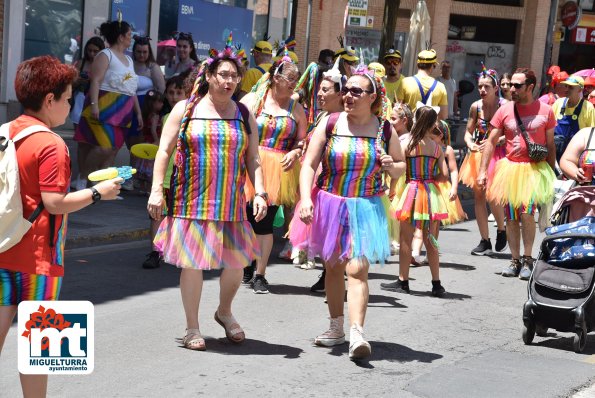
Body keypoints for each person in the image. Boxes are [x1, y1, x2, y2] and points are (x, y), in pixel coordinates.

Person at [0, 56, 122, 398]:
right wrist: (99, 192)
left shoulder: (4, 134)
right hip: (38, 259)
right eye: (68, 99)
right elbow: (55, 203)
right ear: (49, 100)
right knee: (38, 353)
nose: (70, 106)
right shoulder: (52, 144)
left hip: (2, 248)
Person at [147, 41, 267, 350]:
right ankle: (192, 328)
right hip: (192, 199)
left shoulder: (243, 113)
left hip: (231, 200)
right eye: (223, 74)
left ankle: (224, 311)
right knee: (192, 263)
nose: (229, 81)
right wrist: (157, 190)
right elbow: (164, 151)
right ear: (209, 75)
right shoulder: (185, 109)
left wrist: (261, 192)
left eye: (234, 76)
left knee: (238, 262)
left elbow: (253, 159)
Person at [290, 68, 405, 360]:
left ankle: (357, 333)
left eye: (357, 91)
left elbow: (402, 166)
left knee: (357, 268)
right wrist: (305, 198)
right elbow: (308, 164)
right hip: (329, 203)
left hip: (366, 206)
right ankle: (335, 327)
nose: (349, 96)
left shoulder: (384, 129)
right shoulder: (329, 123)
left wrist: (392, 166)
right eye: (347, 89)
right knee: (333, 267)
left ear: (373, 97)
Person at [479, 68, 556, 280]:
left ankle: (528, 259)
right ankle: (514, 260)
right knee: (512, 217)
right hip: (510, 170)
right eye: (511, 84)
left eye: (517, 85)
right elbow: (491, 142)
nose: (511, 89)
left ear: (530, 87)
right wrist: (483, 171)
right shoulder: (504, 110)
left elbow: (550, 145)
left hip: (535, 171)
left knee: (527, 213)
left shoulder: (546, 110)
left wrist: (552, 175)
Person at [240, 56, 308, 294]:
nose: (294, 84)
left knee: (265, 222)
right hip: (249, 164)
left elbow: (302, 140)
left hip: (278, 170)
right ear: (275, 78)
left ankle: (260, 273)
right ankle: (247, 265)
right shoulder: (253, 100)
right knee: (246, 218)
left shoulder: (296, 109)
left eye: (296, 80)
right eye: (290, 79)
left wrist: (295, 152)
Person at [382, 106, 449, 297]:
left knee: (406, 238)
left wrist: (393, 187)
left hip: (411, 191)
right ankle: (437, 284)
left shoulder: (407, 144)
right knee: (431, 239)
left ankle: (403, 281)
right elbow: (444, 175)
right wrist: (431, 180)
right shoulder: (436, 148)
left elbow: (399, 169)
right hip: (430, 194)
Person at [74, 20, 142, 185]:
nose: (130, 38)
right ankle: (83, 178)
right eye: (128, 35)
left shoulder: (129, 59)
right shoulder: (105, 55)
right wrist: (95, 105)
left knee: (113, 149)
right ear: (120, 37)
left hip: (123, 109)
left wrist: (138, 112)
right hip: (105, 105)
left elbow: (130, 89)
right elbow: (95, 81)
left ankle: (103, 186)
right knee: (102, 146)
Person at [459, 68, 507, 255]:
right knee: (479, 196)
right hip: (478, 155)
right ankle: (484, 240)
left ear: (496, 87)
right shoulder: (475, 107)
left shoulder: (505, 106)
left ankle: (501, 230)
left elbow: (512, 134)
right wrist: (470, 144)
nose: (482, 90)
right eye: (480, 86)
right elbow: (468, 132)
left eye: (487, 86)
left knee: (493, 195)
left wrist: (497, 140)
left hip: (499, 155)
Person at [142, 76, 188, 270]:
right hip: (167, 174)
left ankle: (181, 249)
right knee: (157, 214)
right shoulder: (165, 118)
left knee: (181, 216)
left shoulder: (193, 117)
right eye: (170, 93)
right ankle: (155, 251)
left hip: (185, 176)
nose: (174, 96)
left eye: (178, 93)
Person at [70, 36, 105, 191]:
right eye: (89, 50)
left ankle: (90, 175)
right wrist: (79, 80)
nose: (92, 54)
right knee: (81, 142)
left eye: (95, 51)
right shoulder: (81, 62)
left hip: (96, 104)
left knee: (95, 142)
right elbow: (71, 81)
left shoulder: (105, 64)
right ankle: (81, 176)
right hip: (80, 101)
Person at [551, 76, 595, 163]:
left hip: (575, 156)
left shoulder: (588, 107)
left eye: (571, 87)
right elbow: (548, 126)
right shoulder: (558, 103)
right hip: (554, 153)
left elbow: (592, 134)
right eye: (566, 86)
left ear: (579, 90)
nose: (566, 89)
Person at [397, 49, 448, 120]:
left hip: (410, 130)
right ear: (433, 66)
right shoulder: (441, 87)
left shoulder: (405, 82)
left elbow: (397, 110)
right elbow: (443, 115)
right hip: (430, 129)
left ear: (417, 65)